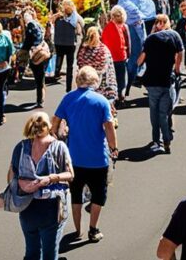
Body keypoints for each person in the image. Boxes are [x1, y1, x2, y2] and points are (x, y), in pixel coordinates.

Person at [52, 67, 118, 243]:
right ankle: (93, 228)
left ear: (77, 80)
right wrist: (114, 147)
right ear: (94, 81)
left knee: (75, 195)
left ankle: (78, 229)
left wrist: (56, 136)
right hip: (98, 158)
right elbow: (109, 127)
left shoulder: (68, 98)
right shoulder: (101, 101)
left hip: (74, 158)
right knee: (98, 195)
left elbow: (56, 120)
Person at [9, 112, 74, 260]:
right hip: (51, 208)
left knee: (32, 251)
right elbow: (70, 174)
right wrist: (51, 178)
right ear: (49, 126)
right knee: (50, 253)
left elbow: (11, 176)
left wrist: (23, 185)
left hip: (27, 208)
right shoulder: (58, 147)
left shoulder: (20, 147)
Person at [139, 14, 184, 153]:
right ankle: (167, 139)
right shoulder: (174, 36)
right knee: (164, 113)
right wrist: (177, 68)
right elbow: (181, 52)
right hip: (166, 79)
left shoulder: (150, 39)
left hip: (152, 81)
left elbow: (140, 60)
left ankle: (156, 140)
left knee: (154, 113)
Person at [118, 0, 157, 90]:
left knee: (142, 50)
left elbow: (149, 12)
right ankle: (132, 76)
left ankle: (139, 75)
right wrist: (136, 15)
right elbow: (125, 11)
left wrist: (139, 17)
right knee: (133, 51)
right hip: (128, 28)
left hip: (142, 27)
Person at [76, 27, 118, 103]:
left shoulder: (83, 51)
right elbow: (110, 70)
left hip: (86, 88)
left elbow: (80, 67)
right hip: (103, 88)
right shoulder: (104, 50)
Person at [51, 0, 84, 92]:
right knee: (70, 65)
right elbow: (82, 23)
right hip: (69, 43)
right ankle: (68, 87)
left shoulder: (58, 16)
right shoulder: (75, 16)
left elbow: (51, 21)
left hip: (59, 42)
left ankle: (56, 72)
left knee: (59, 57)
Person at [101, 6, 132, 104]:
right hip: (120, 56)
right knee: (121, 77)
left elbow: (104, 42)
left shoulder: (107, 27)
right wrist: (128, 54)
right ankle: (120, 94)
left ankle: (115, 95)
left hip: (112, 57)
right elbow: (128, 41)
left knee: (112, 77)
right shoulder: (124, 26)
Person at [20, 9, 48, 108]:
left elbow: (29, 40)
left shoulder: (30, 25)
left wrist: (22, 50)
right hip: (44, 50)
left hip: (36, 53)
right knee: (41, 76)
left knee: (38, 77)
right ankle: (42, 97)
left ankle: (39, 100)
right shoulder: (38, 23)